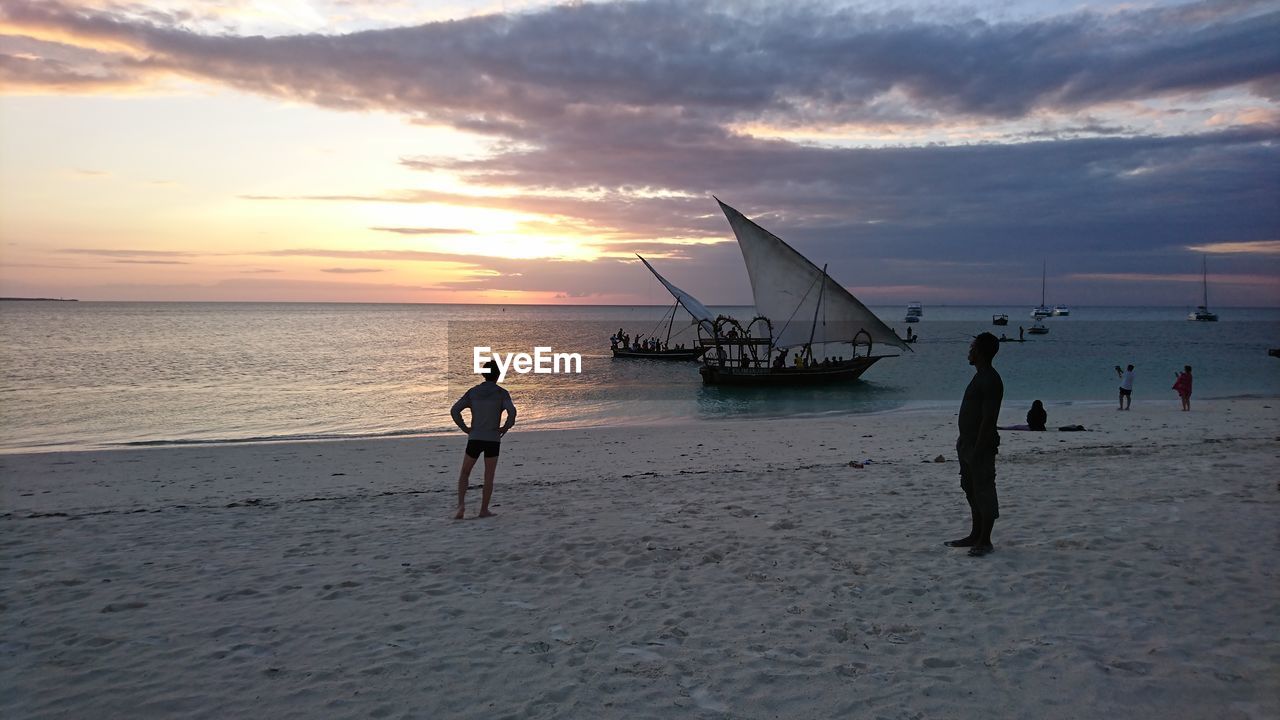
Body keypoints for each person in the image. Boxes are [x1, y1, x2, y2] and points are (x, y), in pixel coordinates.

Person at [946, 332, 1004, 558]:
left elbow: (989, 419)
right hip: (968, 443)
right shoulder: (980, 376)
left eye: (972, 348)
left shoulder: (991, 379)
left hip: (981, 446)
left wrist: (979, 450)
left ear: (980, 352)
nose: (969, 351)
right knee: (970, 489)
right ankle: (975, 534)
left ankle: (985, 540)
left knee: (984, 490)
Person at [449, 360, 517, 520]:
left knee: (465, 472)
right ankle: (484, 510)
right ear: (498, 375)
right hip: (493, 438)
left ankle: (461, 506)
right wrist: (505, 427)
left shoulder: (473, 392)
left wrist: (465, 428)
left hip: (475, 437)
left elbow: (455, 410)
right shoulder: (502, 393)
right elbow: (512, 412)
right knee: (489, 475)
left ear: (483, 374)